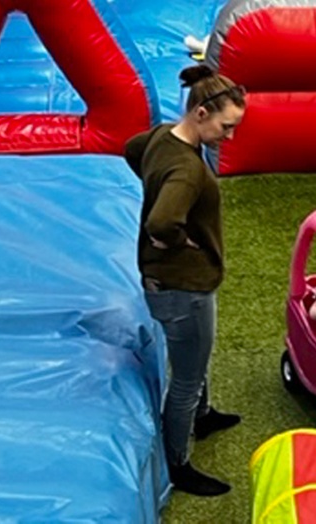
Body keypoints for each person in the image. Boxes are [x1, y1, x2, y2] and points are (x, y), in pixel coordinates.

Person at [124, 64, 246, 497]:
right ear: (200, 113)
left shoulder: (161, 136)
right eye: (225, 127)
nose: (228, 137)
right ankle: (178, 463)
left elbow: (131, 149)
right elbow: (162, 221)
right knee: (186, 378)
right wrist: (178, 239)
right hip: (182, 289)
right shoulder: (189, 171)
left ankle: (204, 414)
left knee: (197, 354)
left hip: (168, 284)